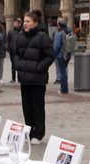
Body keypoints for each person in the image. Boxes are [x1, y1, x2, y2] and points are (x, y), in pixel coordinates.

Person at [13, 9, 54, 145]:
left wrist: (39, 68)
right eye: (24, 21)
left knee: (37, 107)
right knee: (26, 107)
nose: (25, 24)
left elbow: (50, 56)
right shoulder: (20, 36)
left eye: (28, 21)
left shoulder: (43, 37)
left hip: (37, 79)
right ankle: (29, 132)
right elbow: (15, 53)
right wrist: (18, 64)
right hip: (24, 78)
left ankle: (39, 133)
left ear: (35, 23)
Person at [54, 19, 70, 94]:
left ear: (59, 25)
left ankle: (63, 89)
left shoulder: (59, 34)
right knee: (64, 72)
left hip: (60, 55)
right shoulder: (66, 32)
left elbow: (57, 46)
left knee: (62, 73)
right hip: (67, 55)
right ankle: (65, 88)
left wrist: (53, 54)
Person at [6, 18, 22, 83]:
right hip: (12, 51)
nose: (16, 24)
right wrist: (8, 48)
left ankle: (20, 78)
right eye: (15, 22)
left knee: (20, 65)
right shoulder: (10, 31)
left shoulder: (22, 31)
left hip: (20, 51)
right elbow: (8, 40)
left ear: (20, 24)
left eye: (18, 23)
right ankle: (13, 78)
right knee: (13, 65)